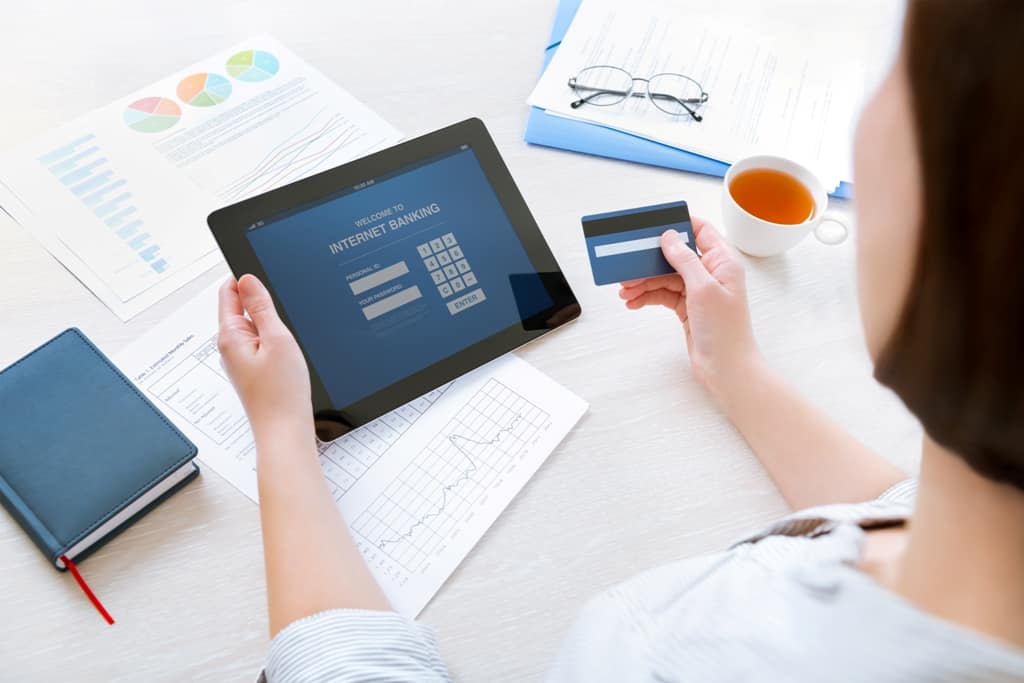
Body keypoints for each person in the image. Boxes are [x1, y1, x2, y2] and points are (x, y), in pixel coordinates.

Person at [218, 1, 1024, 680]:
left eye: (899, 80)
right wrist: (735, 369)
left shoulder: (664, 652)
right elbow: (919, 515)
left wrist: (285, 436)